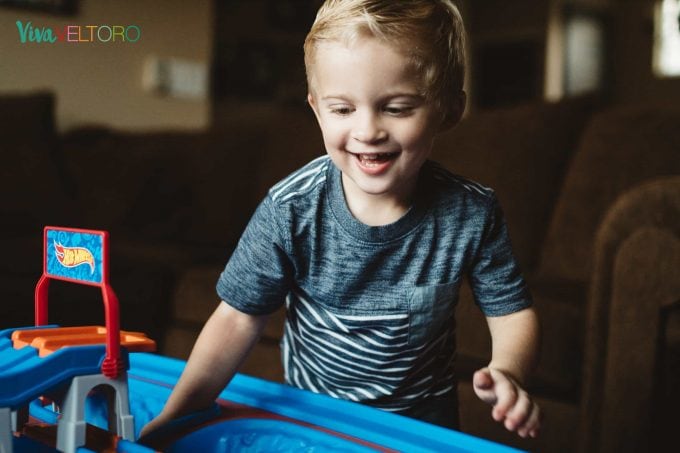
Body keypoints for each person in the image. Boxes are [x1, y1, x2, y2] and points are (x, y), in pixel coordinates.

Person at [142, 0, 541, 440]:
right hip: (314, 418)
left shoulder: (471, 212)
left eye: (397, 107)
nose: (368, 130)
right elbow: (237, 319)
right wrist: (176, 416)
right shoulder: (290, 208)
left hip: (421, 425)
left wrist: (509, 370)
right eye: (343, 109)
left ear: (449, 109)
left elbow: (511, 311)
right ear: (316, 108)